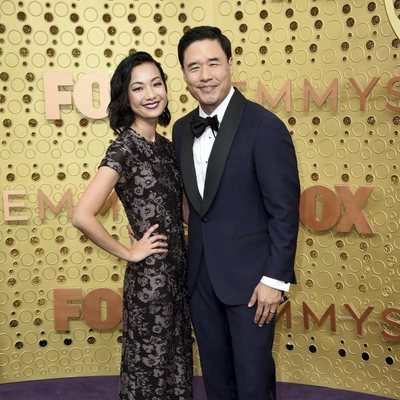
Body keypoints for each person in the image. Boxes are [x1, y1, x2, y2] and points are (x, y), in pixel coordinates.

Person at [172, 26, 300, 400]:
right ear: (184, 74)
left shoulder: (265, 126)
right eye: (194, 67)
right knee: (216, 380)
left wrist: (274, 281)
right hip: (199, 279)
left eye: (214, 63)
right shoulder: (181, 130)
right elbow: (194, 203)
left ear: (230, 64)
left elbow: (284, 210)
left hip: (252, 284)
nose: (205, 75)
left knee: (252, 380)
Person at [72, 51, 192, 400]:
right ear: (127, 97)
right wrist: (129, 251)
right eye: (138, 88)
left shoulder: (168, 148)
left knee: (175, 368)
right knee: (150, 374)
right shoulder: (124, 147)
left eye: (156, 83)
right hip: (151, 283)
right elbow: (82, 215)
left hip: (179, 276)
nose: (150, 93)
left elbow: (183, 213)